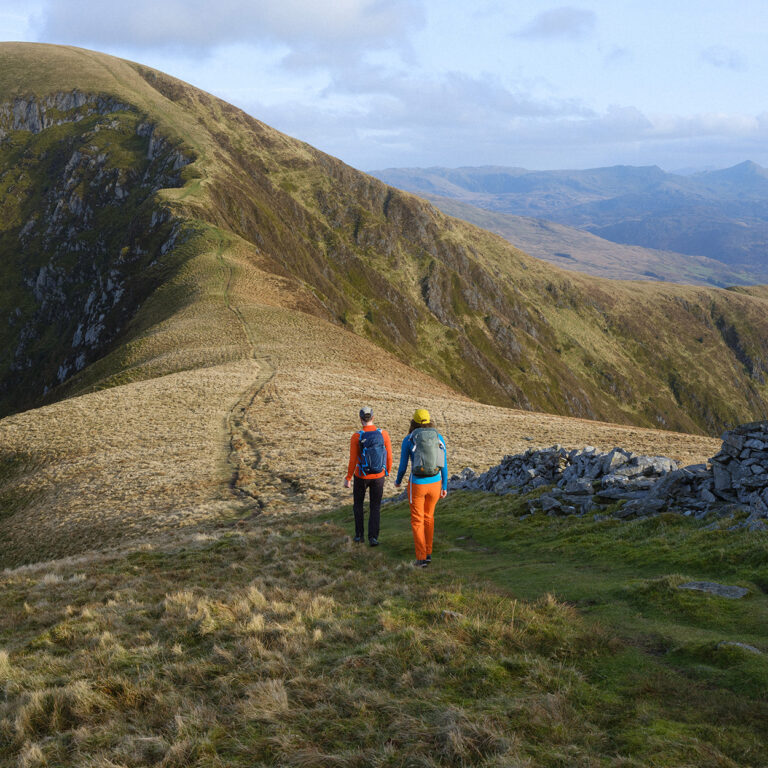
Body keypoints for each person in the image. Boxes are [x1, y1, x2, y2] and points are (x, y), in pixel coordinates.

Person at [395, 408, 448, 567]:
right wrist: (444, 485)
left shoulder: (409, 439)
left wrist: (398, 481)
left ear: (413, 422)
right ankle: (429, 553)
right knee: (429, 517)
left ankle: (421, 558)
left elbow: (403, 465)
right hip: (435, 482)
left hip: (417, 484)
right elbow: (443, 464)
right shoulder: (438, 438)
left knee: (417, 520)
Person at [344, 406, 393, 546]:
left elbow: (353, 460)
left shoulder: (356, 436)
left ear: (360, 419)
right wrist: (387, 471)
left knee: (358, 505)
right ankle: (373, 537)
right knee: (375, 506)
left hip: (361, 476)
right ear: (373, 417)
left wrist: (348, 478)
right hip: (379, 476)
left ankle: (359, 536)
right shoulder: (383, 434)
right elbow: (389, 456)